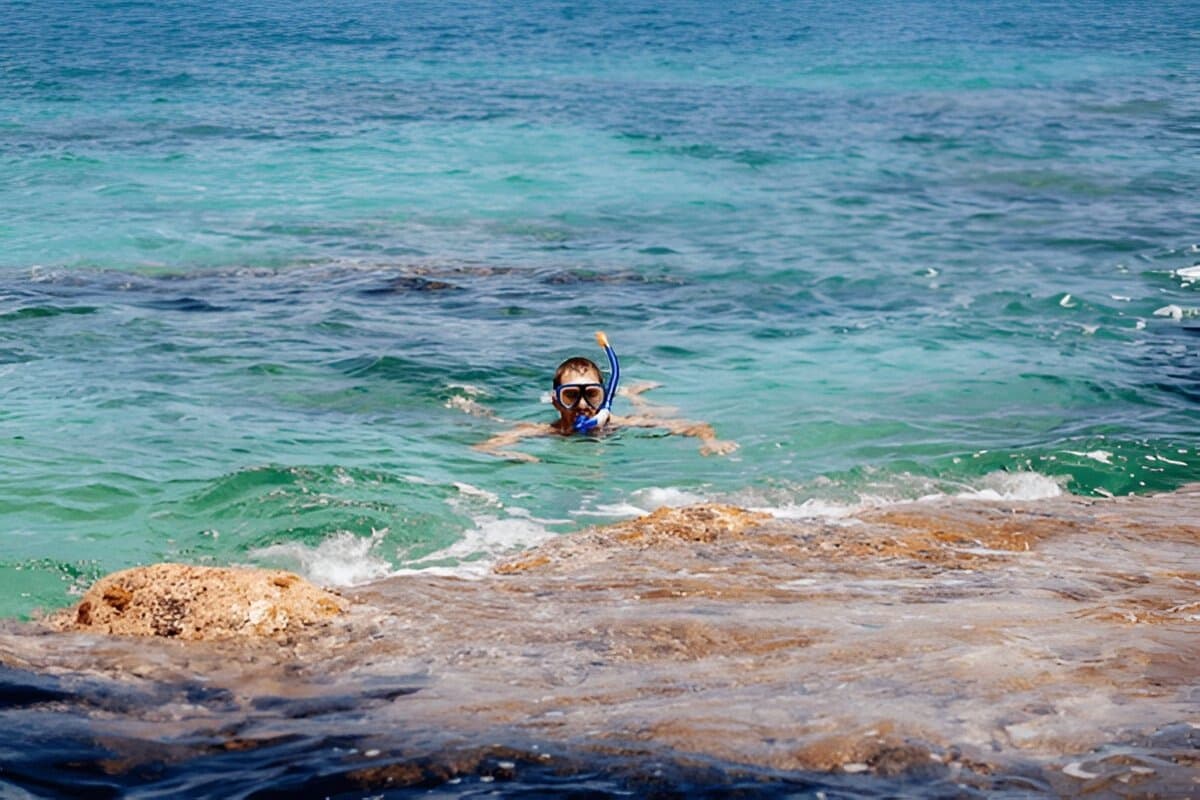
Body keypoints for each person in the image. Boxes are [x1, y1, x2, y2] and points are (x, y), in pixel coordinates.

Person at [473, 355, 738, 463]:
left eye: (592, 395)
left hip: (631, 418)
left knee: (661, 412)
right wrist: (514, 454)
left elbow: (693, 425)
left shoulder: (619, 424)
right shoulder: (546, 431)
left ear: (605, 398)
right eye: (571, 396)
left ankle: (635, 395)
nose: (583, 406)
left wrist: (712, 441)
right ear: (555, 401)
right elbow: (484, 448)